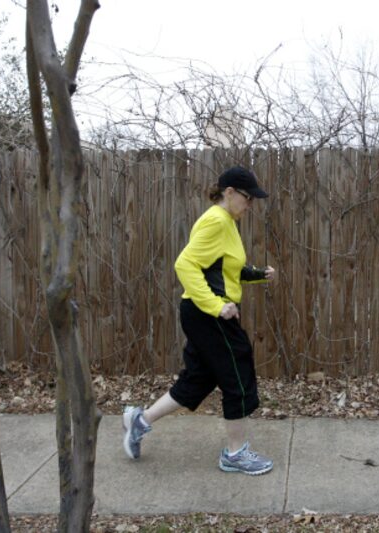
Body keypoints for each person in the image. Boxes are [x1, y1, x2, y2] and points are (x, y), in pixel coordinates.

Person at [122, 165, 276, 476]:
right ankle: (235, 454)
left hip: (204, 313)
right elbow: (185, 264)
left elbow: (223, 269)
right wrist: (216, 306)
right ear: (229, 192)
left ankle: (141, 421)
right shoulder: (216, 221)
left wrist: (258, 275)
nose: (251, 205)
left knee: (199, 379)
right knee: (238, 374)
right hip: (210, 314)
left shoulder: (227, 221)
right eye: (248, 198)